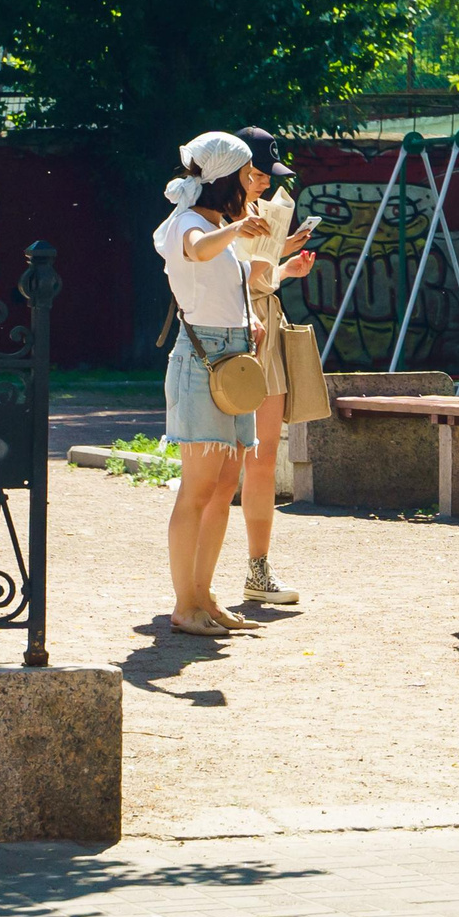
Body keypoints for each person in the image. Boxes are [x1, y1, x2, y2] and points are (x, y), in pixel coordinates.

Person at [155, 131, 275, 638]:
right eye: (247, 176)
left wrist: (249, 321)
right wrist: (240, 228)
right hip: (202, 362)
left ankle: (204, 597)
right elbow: (198, 252)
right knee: (199, 488)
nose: (254, 185)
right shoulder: (188, 223)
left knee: (225, 486)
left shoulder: (215, 225)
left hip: (231, 361)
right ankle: (185, 604)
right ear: (225, 179)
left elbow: (222, 284)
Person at [233, 126, 318, 606]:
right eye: (259, 174)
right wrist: (277, 253)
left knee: (263, 458)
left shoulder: (258, 213)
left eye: (270, 175)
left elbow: (259, 280)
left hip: (266, 323)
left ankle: (258, 568)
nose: (266, 183)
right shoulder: (215, 218)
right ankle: (197, 582)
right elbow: (224, 281)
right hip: (234, 334)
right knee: (224, 464)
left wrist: (285, 267)